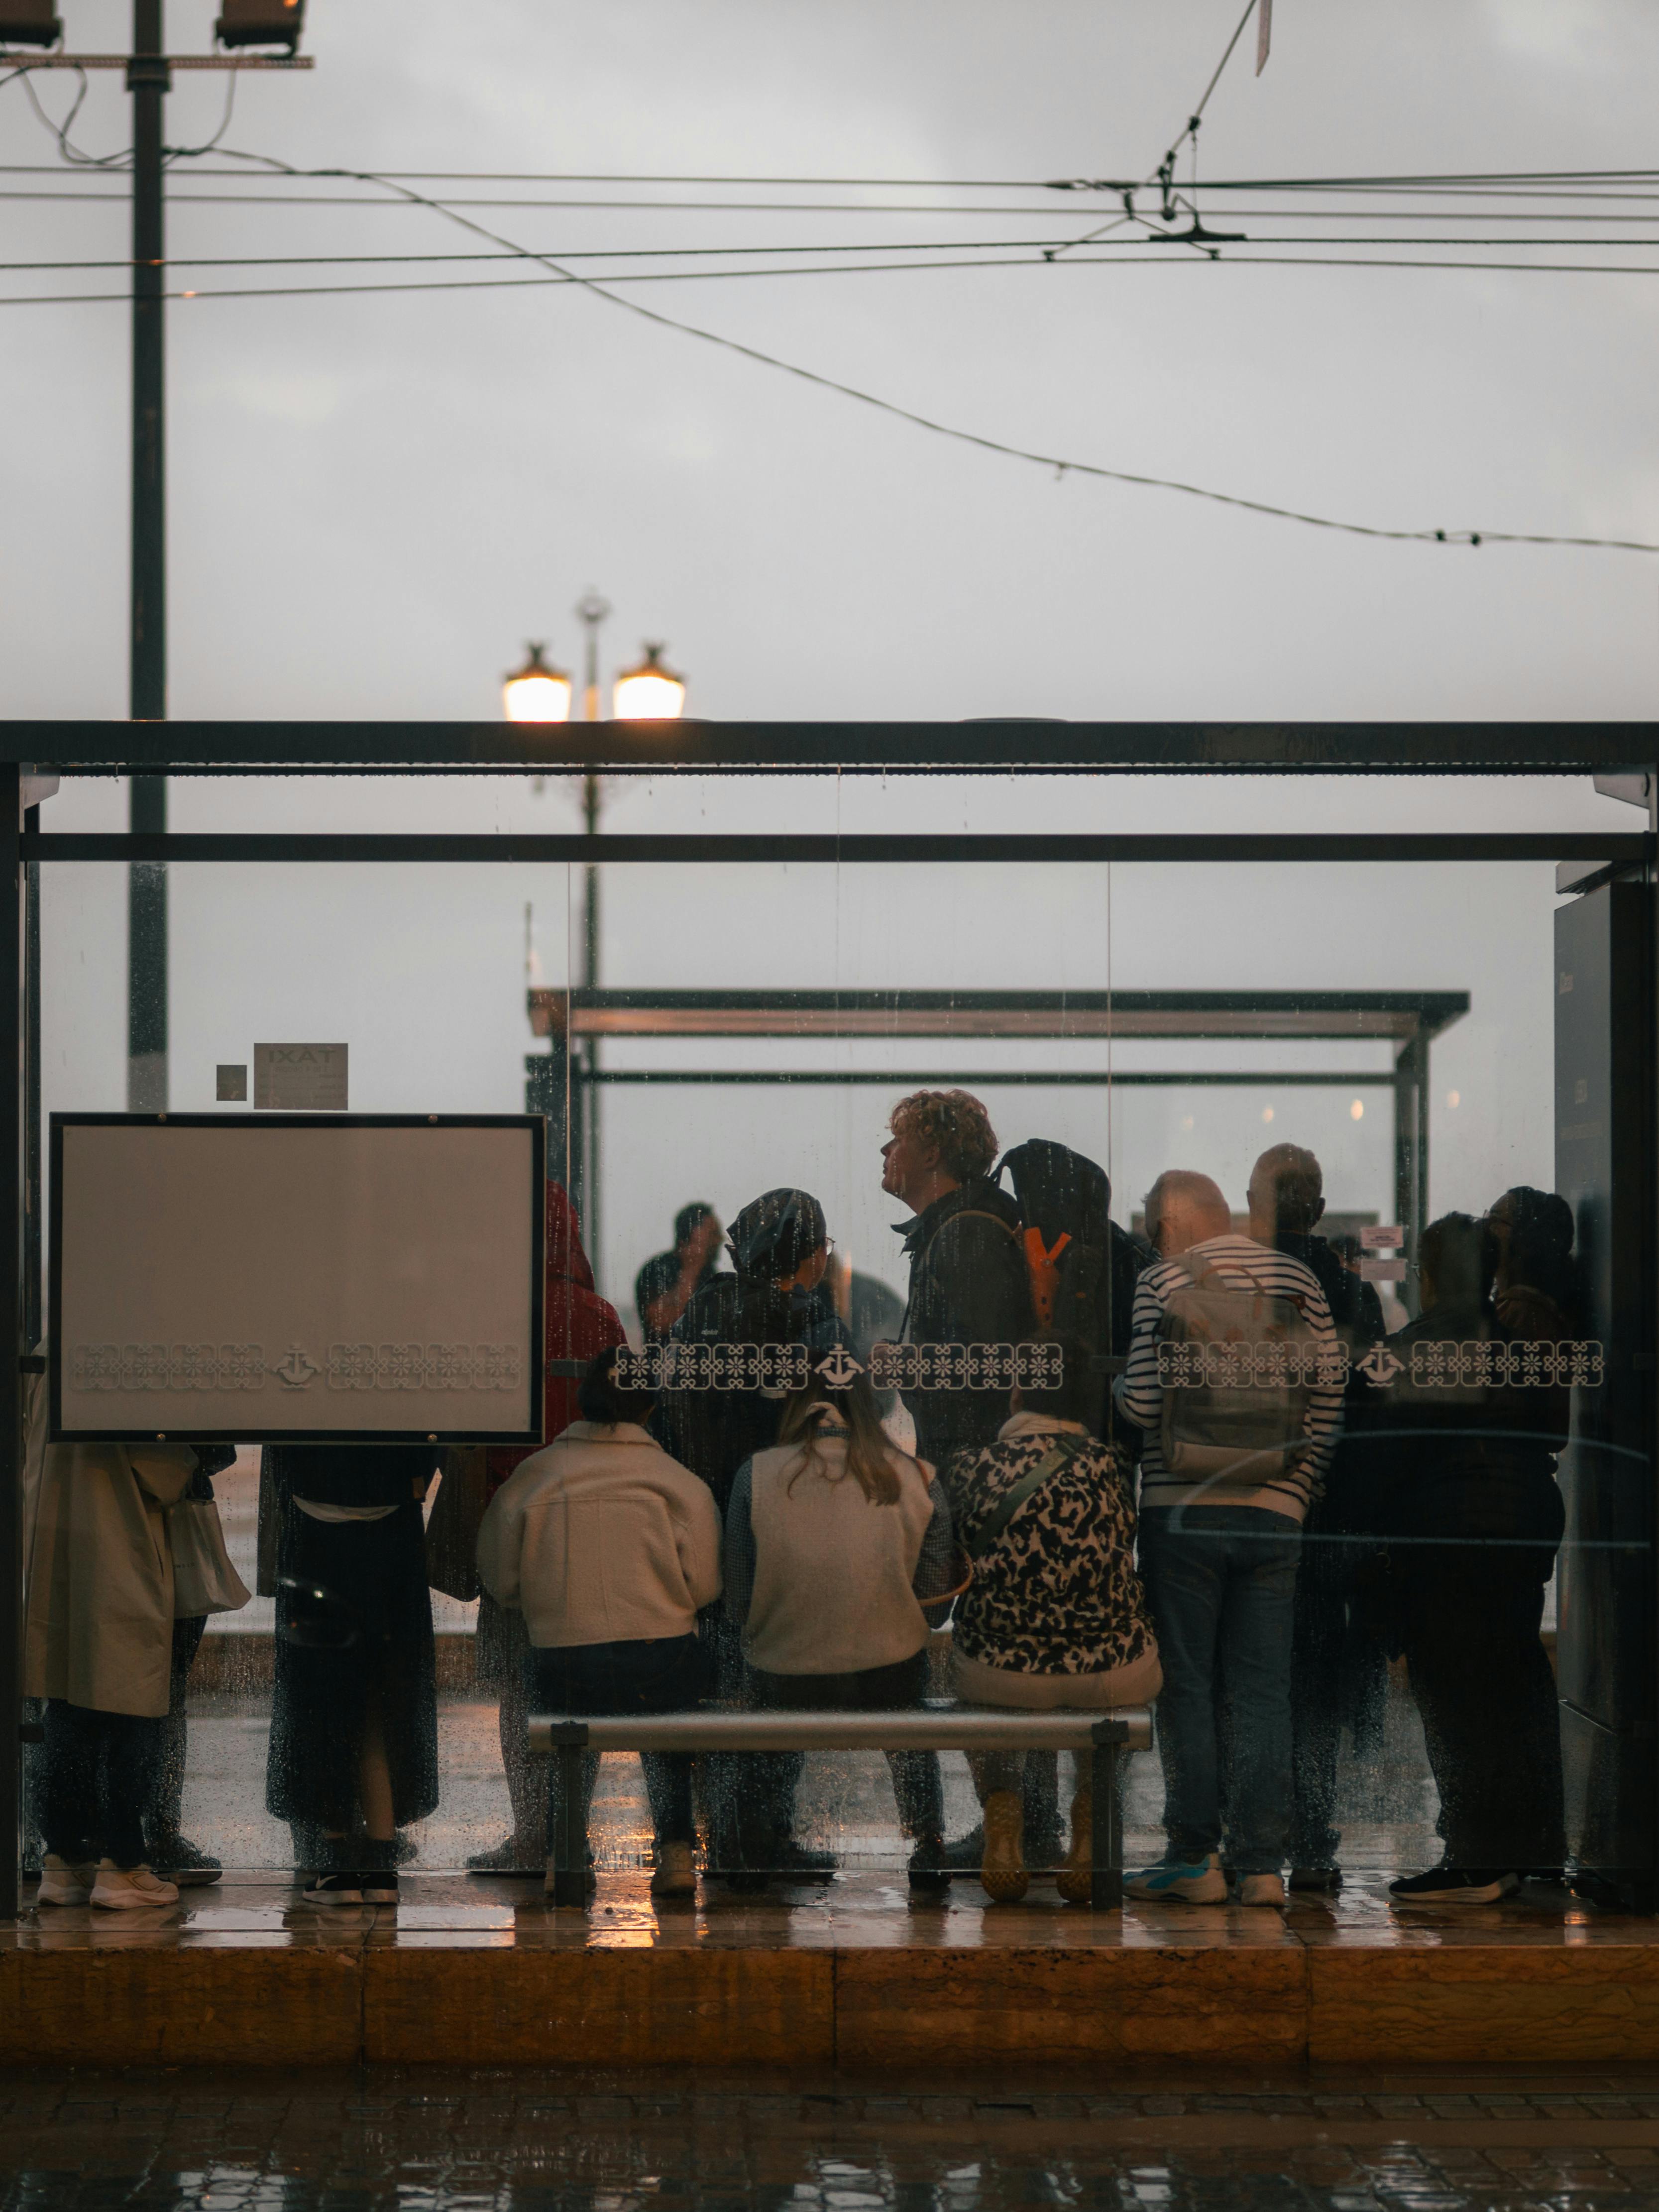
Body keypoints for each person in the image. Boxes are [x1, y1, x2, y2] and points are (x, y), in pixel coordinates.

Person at [1116, 1169, 1340, 1909]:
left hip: (1183, 1508)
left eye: (1156, 1226)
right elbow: (1328, 1392)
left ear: (1177, 1222)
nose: (1152, 1240)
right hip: (1275, 1509)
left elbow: (1146, 1402)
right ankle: (1262, 1868)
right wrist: (1298, 1489)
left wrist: (1112, 1389)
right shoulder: (1295, 1278)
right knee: (1261, 1690)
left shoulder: (1163, 1281)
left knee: (1186, 1687)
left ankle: (1194, 1858)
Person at [1355, 1212, 1568, 1903]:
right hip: (1526, 1527)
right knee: (1516, 1680)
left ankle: (1474, 1855)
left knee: (1454, 1693)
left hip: (1446, 1538)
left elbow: (1378, 1463)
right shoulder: (1520, 1344)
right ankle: (1534, 1851)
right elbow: (1549, 1427)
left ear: (1428, 1274)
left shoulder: (1408, 1349)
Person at [657, 1187, 853, 1882]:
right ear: (803, 1257)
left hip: (698, 1521)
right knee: (771, 1678)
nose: (824, 1263)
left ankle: (709, 1835)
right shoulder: (807, 1321)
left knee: (714, 1678)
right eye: (821, 1250)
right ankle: (756, 1840)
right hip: (778, 1524)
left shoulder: (704, 1309)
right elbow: (844, 1415)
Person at [477, 1346, 721, 1900]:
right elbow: (706, 1586)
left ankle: (563, 1850)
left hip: (565, 1662)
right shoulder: (678, 1483)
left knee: (567, 1723)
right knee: (673, 1717)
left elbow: (501, 1579)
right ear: (651, 1408)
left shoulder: (534, 1477)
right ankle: (677, 1849)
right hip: (661, 1660)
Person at [441, 1181, 627, 1874]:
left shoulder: (496, 1314)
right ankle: (570, 1834)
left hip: (514, 1527)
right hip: (592, 1532)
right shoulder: (601, 1318)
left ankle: (529, 1838)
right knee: (579, 1688)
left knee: (520, 1691)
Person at [940, 1338, 1162, 1904]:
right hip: (1110, 1666)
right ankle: (1090, 1811)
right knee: (1098, 1688)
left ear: (1016, 1395)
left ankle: (1001, 1801)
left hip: (1000, 1670)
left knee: (980, 1674)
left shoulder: (970, 1467)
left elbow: (950, 1564)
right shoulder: (1111, 1466)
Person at [724, 1363, 958, 1888]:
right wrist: (897, 1621)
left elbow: (738, 1594)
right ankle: (928, 1844)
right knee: (911, 1735)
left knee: (767, 1722)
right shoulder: (917, 1475)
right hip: (890, 1666)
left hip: (784, 1665)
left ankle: (761, 1842)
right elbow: (936, 1600)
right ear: (871, 1408)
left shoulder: (755, 1474)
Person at [1245, 1146, 1386, 1897]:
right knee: (1315, 1687)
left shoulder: (1243, 1280)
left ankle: (1254, 1837)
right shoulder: (1349, 1287)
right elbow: (1365, 1403)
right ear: (1320, 1207)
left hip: (1258, 1502)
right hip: (1328, 1514)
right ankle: (1315, 1841)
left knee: (1256, 1677)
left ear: (1256, 1207)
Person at [24, 1382, 200, 1909]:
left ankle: (65, 1858)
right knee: (133, 1703)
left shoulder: (56, 1346)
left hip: (55, 1540)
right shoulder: (129, 1354)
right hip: (120, 1547)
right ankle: (124, 1863)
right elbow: (163, 1471)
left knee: (68, 1702)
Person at [265, 1438, 444, 1905]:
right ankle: (381, 1866)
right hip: (394, 1532)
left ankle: (336, 1863)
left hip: (315, 1534)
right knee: (380, 1704)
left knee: (321, 1700)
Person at [883, 1090, 1034, 1471]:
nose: (886, 1151)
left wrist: (902, 1363)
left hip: (975, 1469)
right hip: (971, 1463)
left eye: (898, 1140)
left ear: (932, 1155)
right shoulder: (958, 1229)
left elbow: (986, 1366)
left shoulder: (966, 1235)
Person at [143, 1443, 242, 1886]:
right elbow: (218, 1448)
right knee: (167, 1694)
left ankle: (79, 1841)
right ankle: (160, 1834)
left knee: (85, 1692)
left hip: (104, 1531)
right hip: (172, 1529)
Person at [635, 1202, 724, 1342]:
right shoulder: (657, 1269)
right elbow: (660, 1323)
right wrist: (692, 1269)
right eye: (713, 1234)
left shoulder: (709, 1274)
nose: (720, 1240)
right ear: (692, 1236)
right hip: (662, 1360)